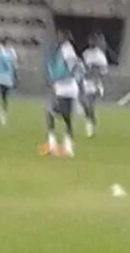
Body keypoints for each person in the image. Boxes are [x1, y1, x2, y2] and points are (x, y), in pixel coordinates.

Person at [40, 28, 79, 157]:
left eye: (60, 35)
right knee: (65, 117)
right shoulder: (61, 50)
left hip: (65, 87)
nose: (58, 38)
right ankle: (67, 147)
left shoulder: (66, 49)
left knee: (52, 112)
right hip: (65, 87)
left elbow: (73, 65)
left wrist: (61, 77)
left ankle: (53, 143)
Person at [79, 33, 108, 138]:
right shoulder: (86, 53)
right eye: (90, 40)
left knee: (90, 104)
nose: (91, 42)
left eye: (93, 40)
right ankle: (91, 119)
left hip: (95, 83)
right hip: (86, 81)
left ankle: (90, 127)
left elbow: (104, 71)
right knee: (84, 104)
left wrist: (96, 71)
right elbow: (82, 67)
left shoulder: (100, 55)